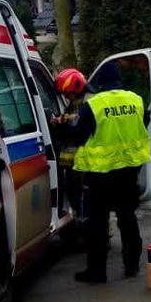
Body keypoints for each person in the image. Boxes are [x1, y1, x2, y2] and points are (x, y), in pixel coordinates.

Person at [72, 62, 151, 283]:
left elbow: (79, 136)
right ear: (119, 80)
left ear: (100, 83)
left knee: (98, 222)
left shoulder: (93, 105)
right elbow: (144, 124)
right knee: (127, 218)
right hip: (129, 170)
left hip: (100, 173)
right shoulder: (135, 100)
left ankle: (97, 272)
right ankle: (132, 265)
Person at [49, 68, 89, 236]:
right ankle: (81, 222)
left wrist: (61, 122)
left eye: (67, 93)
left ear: (76, 89)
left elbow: (78, 126)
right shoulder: (74, 103)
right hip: (73, 161)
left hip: (84, 161)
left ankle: (88, 228)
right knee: (75, 194)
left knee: (85, 197)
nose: (66, 96)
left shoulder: (87, 103)